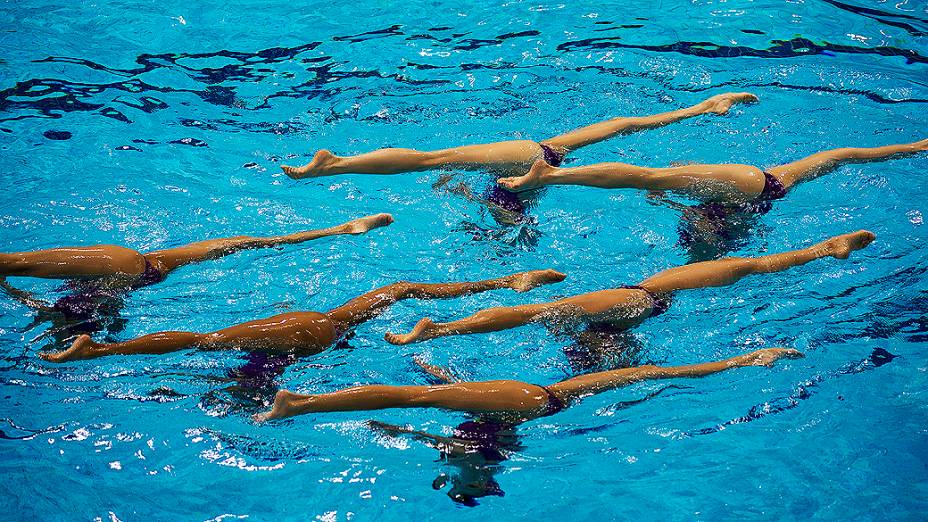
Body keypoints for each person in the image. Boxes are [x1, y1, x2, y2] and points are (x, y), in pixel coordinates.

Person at [383, 230, 875, 345]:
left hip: (636, 300)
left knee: (547, 312)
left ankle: (441, 330)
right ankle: (823, 248)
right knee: (750, 267)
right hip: (639, 300)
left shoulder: (610, 329)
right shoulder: (611, 335)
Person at [38, 269, 566, 362]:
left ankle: (101, 349)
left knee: (207, 341)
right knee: (207, 342)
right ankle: (100, 349)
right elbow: (406, 289)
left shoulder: (324, 327)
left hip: (315, 331)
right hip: (315, 335)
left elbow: (405, 288)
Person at [0, 213, 394, 338]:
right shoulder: (106, 304)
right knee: (250, 243)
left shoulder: (101, 301)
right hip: (129, 268)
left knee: (251, 243)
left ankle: (338, 229)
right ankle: (338, 229)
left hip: (124, 267)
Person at [279, 92, 758, 179]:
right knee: (433, 160)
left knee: (438, 161)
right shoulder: (552, 157)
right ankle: (334, 165)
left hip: (522, 157)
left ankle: (336, 165)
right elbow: (629, 124)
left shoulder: (521, 182)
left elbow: (626, 125)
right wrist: (701, 107)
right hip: (530, 154)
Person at [254, 347, 802, 422]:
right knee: (421, 399)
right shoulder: (588, 384)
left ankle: (302, 403)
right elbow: (668, 372)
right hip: (526, 401)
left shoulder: (588, 379)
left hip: (518, 398)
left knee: (435, 396)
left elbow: (664, 371)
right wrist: (743, 362)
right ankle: (299, 404)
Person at [497, 138, 928, 211]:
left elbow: (842, 154)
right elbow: (842, 155)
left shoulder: (714, 221)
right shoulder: (723, 217)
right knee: (649, 179)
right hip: (753, 185)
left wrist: (912, 148)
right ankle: (549, 178)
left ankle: (549, 178)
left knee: (651, 180)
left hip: (753, 182)